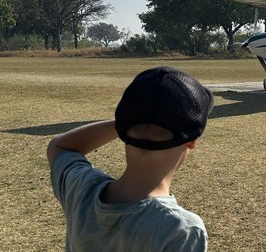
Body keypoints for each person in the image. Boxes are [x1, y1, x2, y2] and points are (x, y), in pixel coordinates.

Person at [47, 66, 215, 251]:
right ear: (191, 141)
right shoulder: (181, 229)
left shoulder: (81, 189)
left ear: (122, 129)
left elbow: (59, 146)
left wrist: (127, 123)